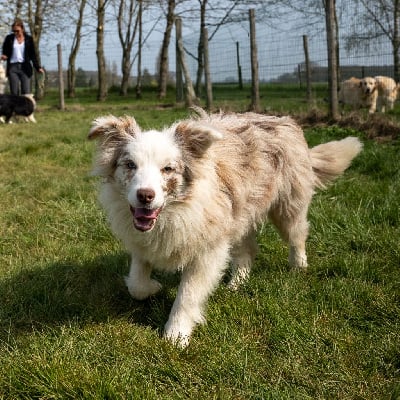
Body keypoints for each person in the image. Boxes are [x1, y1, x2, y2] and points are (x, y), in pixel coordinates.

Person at [1, 18, 44, 95]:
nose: (16, 33)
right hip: (13, 67)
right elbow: (5, 51)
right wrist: (4, 55)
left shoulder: (29, 39)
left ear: (22, 29)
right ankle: (14, 107)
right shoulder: (9, 38)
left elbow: (33, 55)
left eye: (17, 31)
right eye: (14, 31)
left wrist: (38, 67)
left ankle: (25, 107)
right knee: (14, 92)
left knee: (26, 92)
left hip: (25, 67)